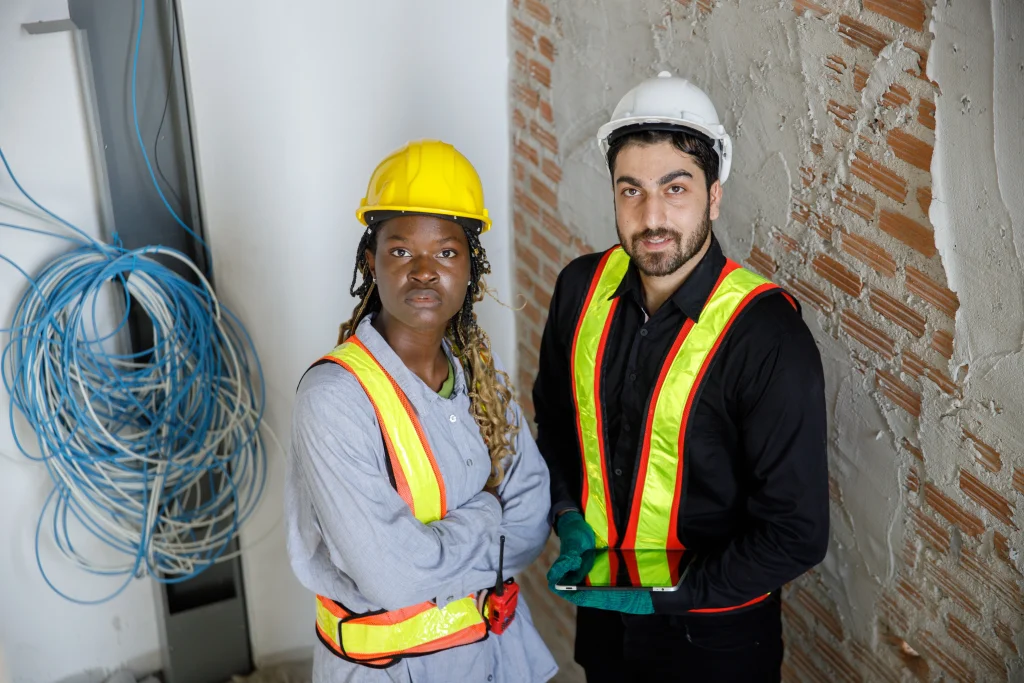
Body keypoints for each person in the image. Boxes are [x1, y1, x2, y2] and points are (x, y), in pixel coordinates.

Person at [535, 71, 829, 681]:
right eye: (631, 191)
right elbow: (559, 421)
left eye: (676, 188)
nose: (651, 217)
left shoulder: (766, 336)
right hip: (606, 627)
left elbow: (796, 534)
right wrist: (565, 509)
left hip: (714, 644)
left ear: (714, 196)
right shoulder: (578, 290)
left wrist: (668, 594)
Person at [286, 140, 558, 683]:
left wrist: (437, 549)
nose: (425, 271)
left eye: (447, 252)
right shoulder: (334, 400)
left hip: (497, 656)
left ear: (471, 266)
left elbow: (532, 522)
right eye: (402, 251)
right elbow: (395, 576)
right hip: (393, 671)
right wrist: (486, 512)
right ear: (372, 260)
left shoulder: (480, 373)